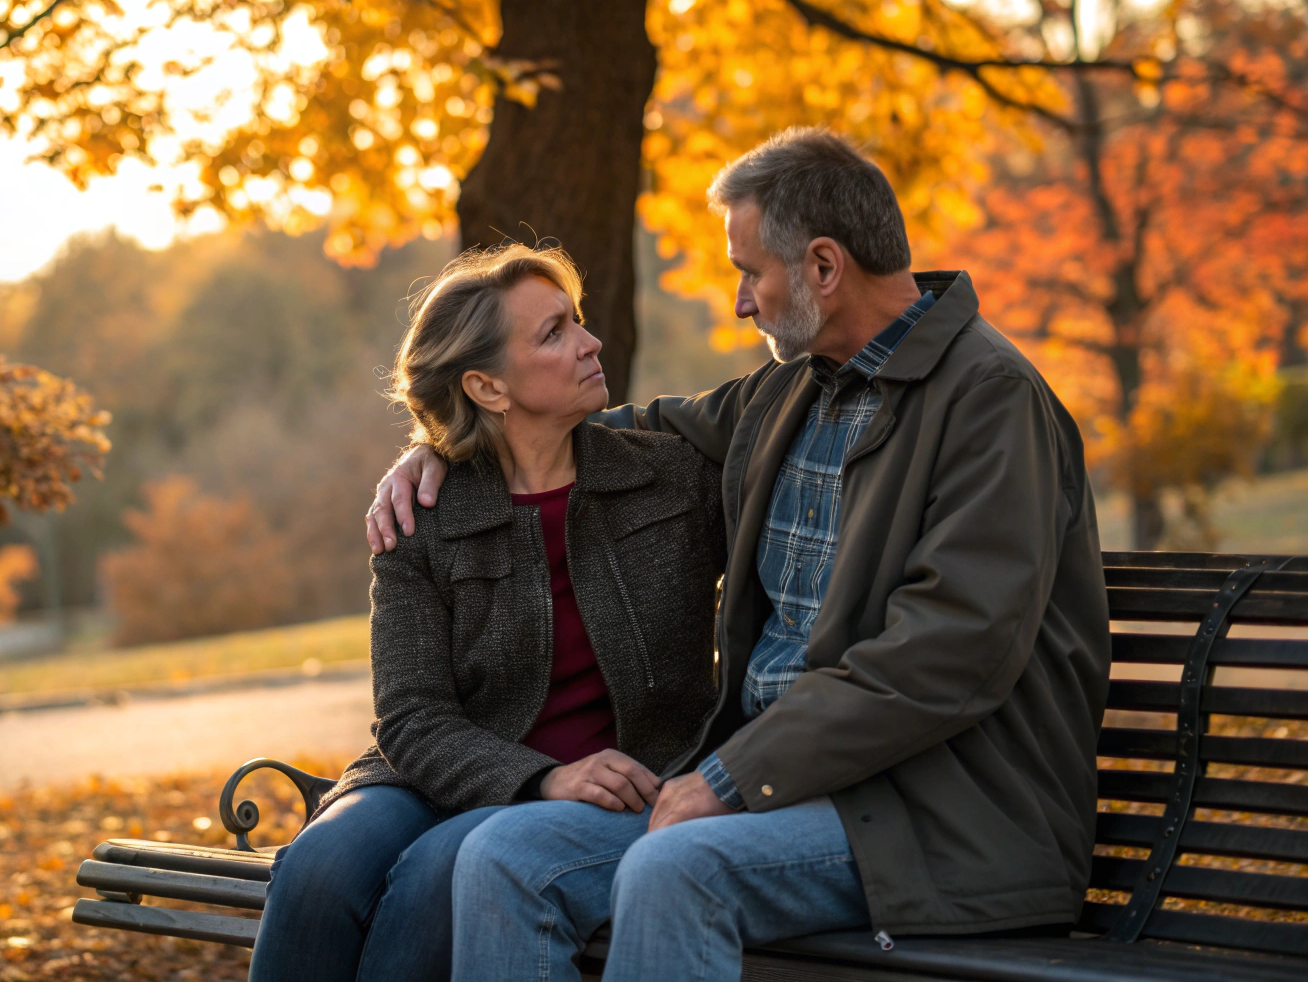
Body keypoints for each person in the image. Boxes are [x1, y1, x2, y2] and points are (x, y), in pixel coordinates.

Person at [367, 127, 1112, 982]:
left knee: (677, 867)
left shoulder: (991, 402)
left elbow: (947, 653)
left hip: (937, 811)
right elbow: (589, 433)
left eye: (750, 273)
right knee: (503, 857)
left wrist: (730, 776)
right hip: (775, 790)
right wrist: (451, 448)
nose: (742, 304)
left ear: (823, 269)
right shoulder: (792, 390)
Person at [248, 244, 726, 982]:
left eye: (577, 321)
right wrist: (541, 776)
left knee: (435, 875)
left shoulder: (671, 480)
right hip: (433, 776)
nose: (590, 342)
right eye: (555, 333)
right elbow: (410, 716)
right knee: (316, 866)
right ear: (487, 386)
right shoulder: (424, 518)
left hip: (616, 788)